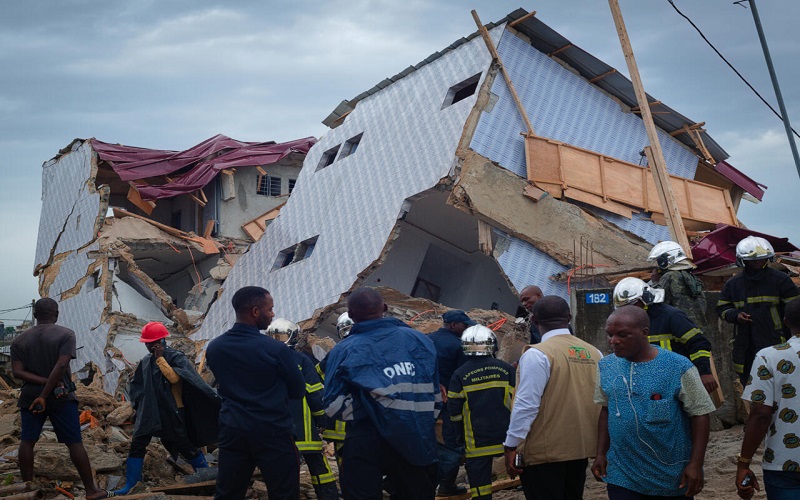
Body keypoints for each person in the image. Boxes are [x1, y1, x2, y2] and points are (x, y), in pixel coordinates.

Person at [323, 287, 440, 500]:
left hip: (365, 438)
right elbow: (434, 396)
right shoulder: (421, 341)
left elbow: (332, 405)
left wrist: (372, 411)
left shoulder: (343, 350)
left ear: (350, 315)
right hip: (414, 436)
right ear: (385, 308)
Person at [592, 306, 716, 499]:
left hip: (670, 475)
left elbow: (700, 414)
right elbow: (606, 409)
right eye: (610, 335)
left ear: (645, 333)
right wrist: (600, 453)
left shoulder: (678, 366)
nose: (613, 341)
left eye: (623, 335)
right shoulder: (606, 366)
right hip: (621, 474)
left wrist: (696, 464)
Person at [206, 286, 306, 500]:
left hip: (233, 432)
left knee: (228, 493)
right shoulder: (276, 349)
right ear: (254, 311)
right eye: (270, 309)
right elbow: (298, 390)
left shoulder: (215, 348)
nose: (272, 314)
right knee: (284, 493)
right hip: (273, 432)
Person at [503, 296, 601, 500]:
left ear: (535, 320)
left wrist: (511, 445)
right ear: (569, 317)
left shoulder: (537, 354)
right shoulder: (594, 353)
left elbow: (526, 405)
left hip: (544, 453)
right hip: (580, 449)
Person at [10, 298, 109, 499]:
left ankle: (28, 491)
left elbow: (17, 372)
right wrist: (48, 389)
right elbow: (61, 365)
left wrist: (40, 389)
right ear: (56, 313)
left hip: (30, 396)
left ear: (35, 315)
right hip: (60, 395)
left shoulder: (19, 341)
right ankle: (91, 490)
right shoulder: (66, 334)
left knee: (27, 442)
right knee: (74, 443)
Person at [114, 322, 220, 495]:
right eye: (147, 343)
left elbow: (174, 379)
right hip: (150, 411)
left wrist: (160, 358)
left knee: (185, 445)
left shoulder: (175, 357)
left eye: (151, 343)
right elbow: (138, 385)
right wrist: (137, 406)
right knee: (138, 443)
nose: (148, 346)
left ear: (161, 342)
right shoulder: (147, 361)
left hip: (172, 410)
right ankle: (131, 485)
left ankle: (207, 478)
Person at [735, 297, 800, 499]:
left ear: (785, 321)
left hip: (785, 462)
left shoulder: (769, 357)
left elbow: (761, 414)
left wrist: (744, 463)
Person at [268, 319, 339, 500]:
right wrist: (322, 419)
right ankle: (328, 496)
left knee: (282, 471)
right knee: (318, 467)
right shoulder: (301, 360)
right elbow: (315, 394)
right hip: (304, 430)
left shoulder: (261, 360)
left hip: (275, 430)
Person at [717, 236, 799, 384]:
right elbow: (722, 307)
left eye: (762, 258)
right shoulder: (733, 284)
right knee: (752, 385)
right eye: (754, 260)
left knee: (782, 385)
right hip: (745, 345)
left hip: (777, 341)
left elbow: (795, 309)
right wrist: (735, 315)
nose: (758, 262)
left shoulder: (780, 280)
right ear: (742, 260)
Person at [614, 277, 717, 393]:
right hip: (644, 383)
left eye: (632, 306)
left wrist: (704, 372)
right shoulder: (628, 323)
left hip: (676, 382)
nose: (627, 312)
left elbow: (698, 343)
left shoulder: (671, 316)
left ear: (645, 299)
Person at [448, 325, 515, 499]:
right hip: (508, 438)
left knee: (480, 487)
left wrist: (458, 437)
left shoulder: (459, 374)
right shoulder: (506, 369)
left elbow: (454, 411)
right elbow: (518, 401)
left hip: (476, 442)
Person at [428, 309, 475, 496]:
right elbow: (462, 376)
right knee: (452, 445)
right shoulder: (459, 346)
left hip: (422, 403)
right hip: (448, 404)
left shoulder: (426, 339)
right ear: (454, 325)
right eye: (464, 325)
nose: (466, 329)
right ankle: (446, 486)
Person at [316, 313, 354, 465]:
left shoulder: (337, 351)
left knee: (344, 461)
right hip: (360, 420)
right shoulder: (370, 346)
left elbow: (318, 371)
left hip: (338, 416)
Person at [647, 241, 708, 329]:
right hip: (698, 326)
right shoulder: (691, 277)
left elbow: (655, 303)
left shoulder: (669, 276)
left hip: (679, 326)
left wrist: (655, 282)